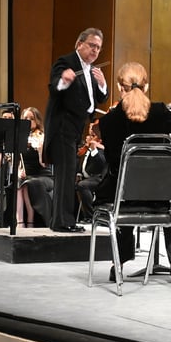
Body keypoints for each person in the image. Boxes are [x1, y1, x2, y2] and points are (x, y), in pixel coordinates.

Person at [96, 61, 171, 281]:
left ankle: (119, 262)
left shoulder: (108, 121)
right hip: (162, 196)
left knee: (123, 186)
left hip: (125, 196)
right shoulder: (160, 112)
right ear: (146, 87)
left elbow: (112, 161)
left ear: (119, 87)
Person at [44, 28, 109, 232]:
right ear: (79, 44)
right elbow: (55, 87)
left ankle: (62, 221)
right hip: (63, 125)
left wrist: (103, 84)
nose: (95, 51)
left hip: (76, 129)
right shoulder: (66, 63)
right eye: (92, 45)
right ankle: (63, 222)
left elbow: (99, 99)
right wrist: (64, 80)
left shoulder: (91, 70)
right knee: (65, 174)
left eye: (98, 48)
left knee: (69, 174)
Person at [17, 106, 53, 227]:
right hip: (27, 175)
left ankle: (36, 219)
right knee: (18, 181)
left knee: (29, 183)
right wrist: (18, 171)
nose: (28, 121)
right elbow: (17, 161)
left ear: (37, 120)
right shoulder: (19, 138)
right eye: (25, 118)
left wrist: (40, 150)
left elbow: (44, 164)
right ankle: (20, 221)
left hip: (44, 176)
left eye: (31, 118)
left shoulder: (42, 136)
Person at [75, 131, 107, 222]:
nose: (88, 137)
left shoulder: (101, 150)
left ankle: (90, 216)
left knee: (83, 185)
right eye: (88, 135)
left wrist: (94, 149)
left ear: (99, 140)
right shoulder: (86, 150)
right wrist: (79, 173)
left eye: (92, 136)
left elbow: (101, 163)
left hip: (100, 178)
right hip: (87, 178)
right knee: (71, 186)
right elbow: (83, 163)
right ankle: (77, 216)